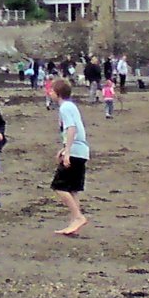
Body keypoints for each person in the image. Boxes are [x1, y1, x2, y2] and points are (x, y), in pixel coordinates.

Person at [49, 78, 90, 236]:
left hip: (76, 152)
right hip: (80, 150)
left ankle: (78, 217)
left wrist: (67, 152)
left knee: (59, 186)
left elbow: (71, 129)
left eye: (51, 90)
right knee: (72, 189)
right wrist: (64, 148)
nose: (50, 93)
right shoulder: (71, 106)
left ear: (58, 93)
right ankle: (75, 222)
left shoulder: (65, 108)